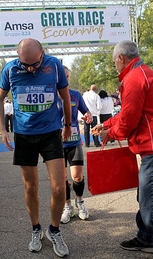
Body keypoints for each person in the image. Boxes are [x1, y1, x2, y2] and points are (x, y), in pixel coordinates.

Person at [91, 40, 153, 259]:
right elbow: (129, 114)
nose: (115, 66)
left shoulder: (133, 78)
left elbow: (129, 120)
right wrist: (106, 124)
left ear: (121, 59)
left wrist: (110, 133)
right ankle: (145, 238)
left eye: (114, 62)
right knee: (146, 199)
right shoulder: (143, 73)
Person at [0, 38, 71, 258]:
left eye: (35, 64)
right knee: (31, 188)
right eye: (25, 64)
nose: (30, 68)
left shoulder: (54, 65)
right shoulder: (10, 69)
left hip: (50, 134)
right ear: (18, 57)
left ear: (42, 54)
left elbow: (65, 96)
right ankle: (36, 228)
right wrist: (2, 129)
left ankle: (54, 230)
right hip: (24, 135)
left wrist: (67, 124)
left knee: (58, 188)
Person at [59, 66, 93, 224]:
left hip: (74, 141)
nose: (65, 78)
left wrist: (88, 116)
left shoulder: (76, 95)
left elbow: (86, 111)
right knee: (62, 178)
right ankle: (68, 206)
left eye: (67, 76)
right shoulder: (50, 95)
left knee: (77, 176)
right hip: (56, 144)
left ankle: (80, 202)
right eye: (62, 75)